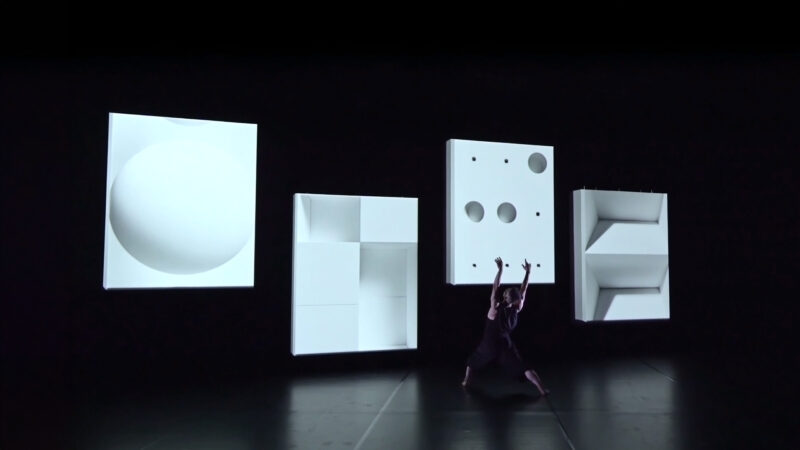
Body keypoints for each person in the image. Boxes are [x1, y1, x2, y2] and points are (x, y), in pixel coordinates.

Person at [461, 257, 549, 396]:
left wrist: (500, 270)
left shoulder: (495, 308)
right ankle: (542, 389)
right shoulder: (517, 308)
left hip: (490, 343)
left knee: (472, 361)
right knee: (524, 367)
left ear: (505, 296)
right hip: (505, 344)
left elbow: (495, 287)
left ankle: (466, 381)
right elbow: (524, 289)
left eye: (506, 292)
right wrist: (528, 272)